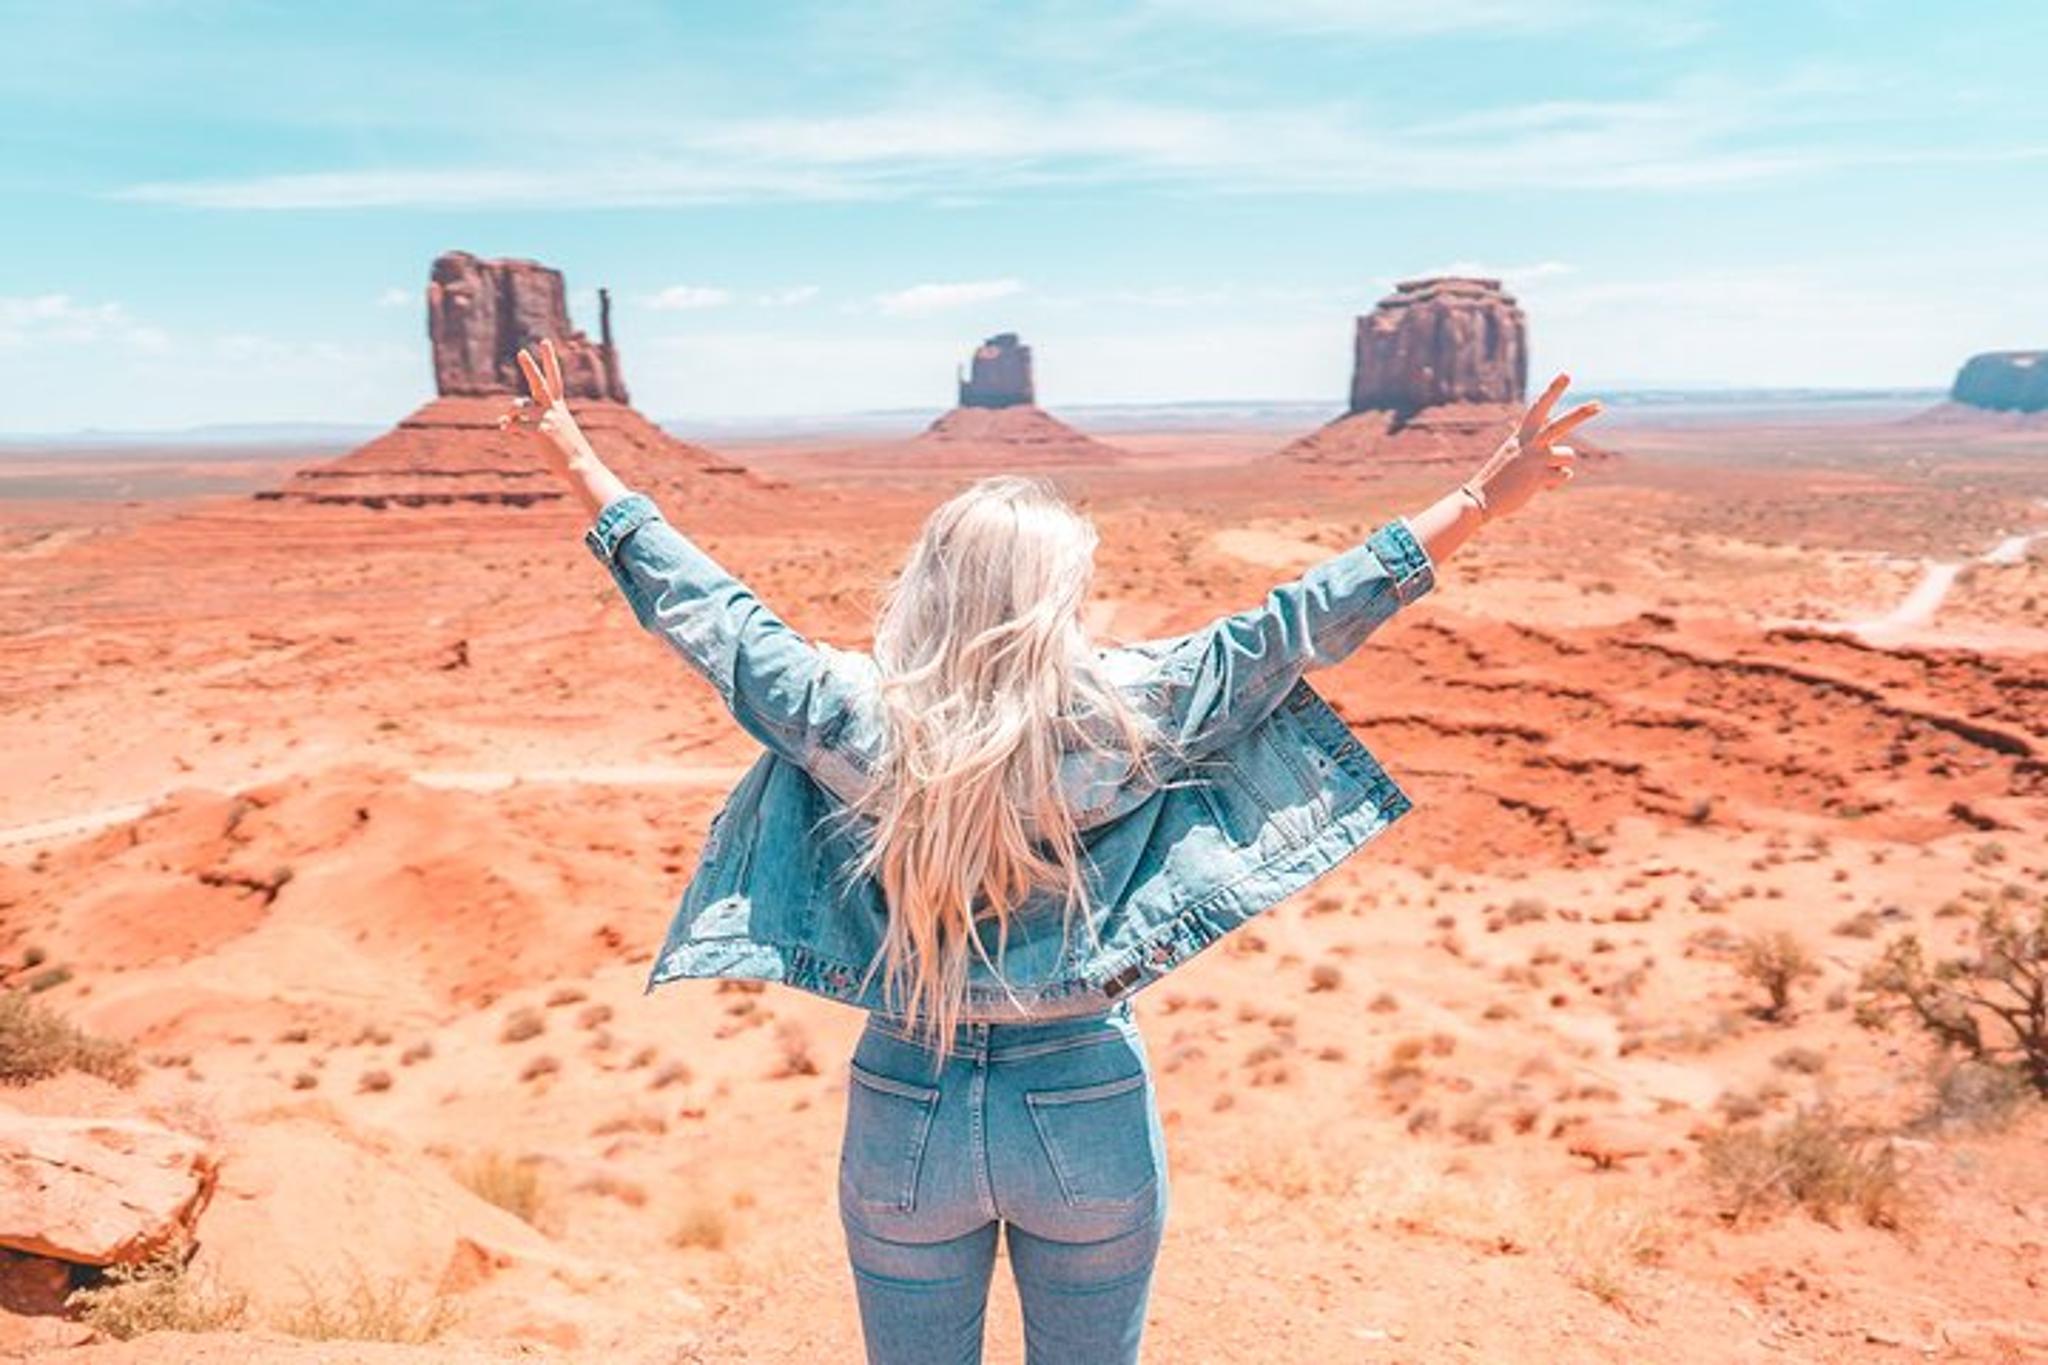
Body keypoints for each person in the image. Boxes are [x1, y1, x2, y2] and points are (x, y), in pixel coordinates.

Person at [501, 339, 1596, 1363]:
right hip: (1085, 1100)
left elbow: (709, 615)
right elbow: (1298, 622)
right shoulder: (1128, 710)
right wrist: (1475, 498)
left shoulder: (858, 715)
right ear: (1055, 598)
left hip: (907, 1101)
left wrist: (577, 458)